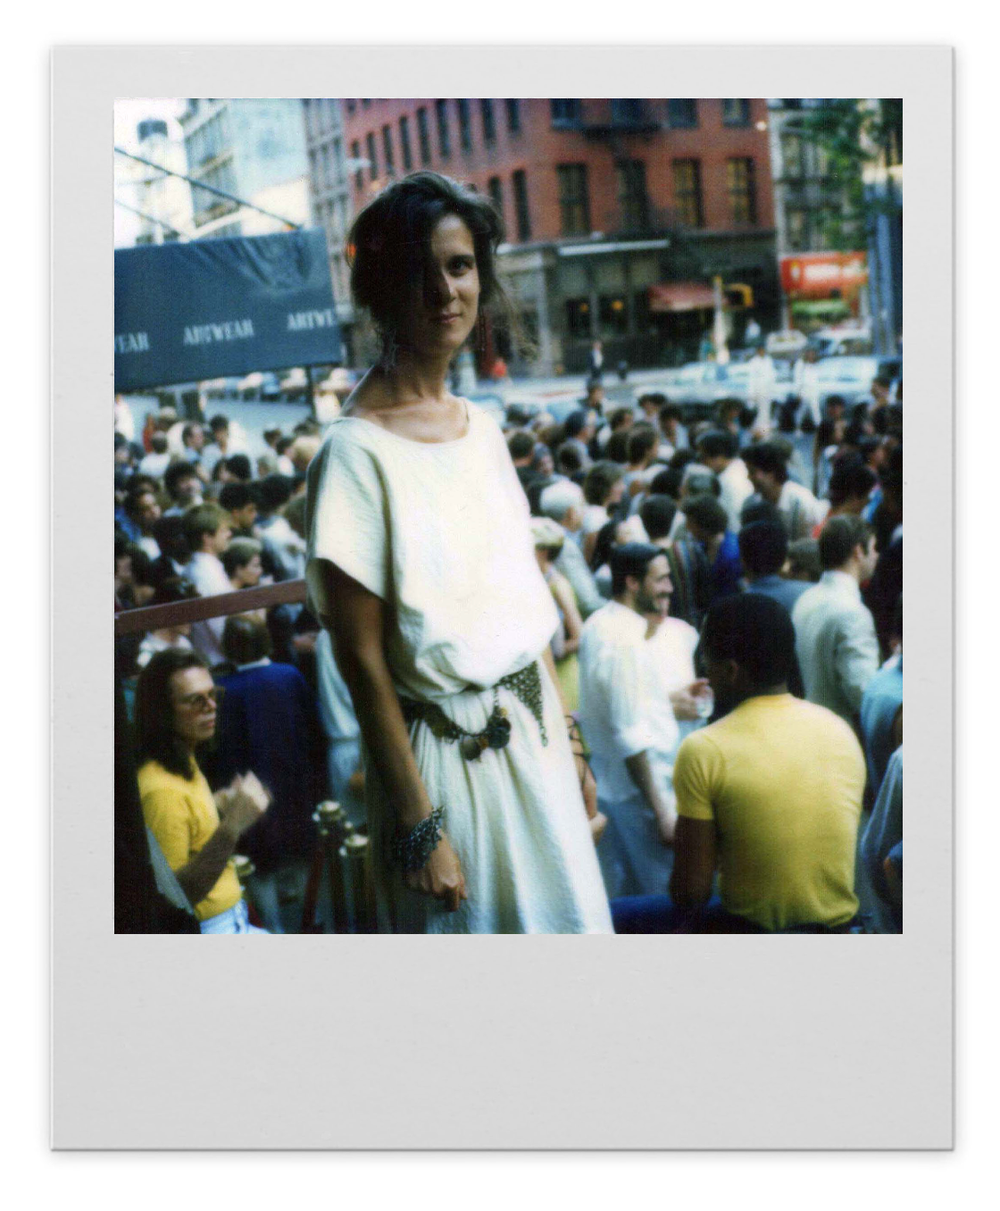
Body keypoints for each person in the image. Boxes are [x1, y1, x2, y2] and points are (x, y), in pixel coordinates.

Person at [305, 170, 612, 934]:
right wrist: (419, 824)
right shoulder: (353, 453)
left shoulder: (483, 428)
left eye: (460, 265)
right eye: (422, 270)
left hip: (535, 738)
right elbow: (362, 662)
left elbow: (524, 611)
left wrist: (572, 744)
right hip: (444, 767)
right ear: (382, 288)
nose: (446, 290)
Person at [614, 595, 866, 933]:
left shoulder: (704, 749)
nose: (704, 671)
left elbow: (690, 893)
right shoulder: (839, 730)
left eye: (706, 660)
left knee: (613, 915)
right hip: (841, 928)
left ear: (731, 671)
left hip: (753, 932)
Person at [577, 543, 708, 898]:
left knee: (632, 891)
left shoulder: (600, 624)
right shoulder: (624, 639)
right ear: (633, 583)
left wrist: (668, 702)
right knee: (661, 896)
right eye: (661, 579)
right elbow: (630, 734)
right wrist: (662, 811)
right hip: (642, 797)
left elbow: (622, 706)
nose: (669, 587)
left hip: (618, 790)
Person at [134, 650, 271, 933]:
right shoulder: (161, 791)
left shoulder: (182, 758)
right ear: (162, 711)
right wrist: (233, 825)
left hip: (232, 917)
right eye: (196, 700)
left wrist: (217, 806)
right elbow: (177, 898)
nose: (211, 706)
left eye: (212, 695)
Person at [205, 615, 327, 933]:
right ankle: (313, 923)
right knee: (302, 859)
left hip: (249, 793)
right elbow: (314, 730)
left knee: (259, 868)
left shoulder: (223, 690)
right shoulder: (288, 676)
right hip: (293, 786)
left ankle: (274, 930)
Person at [792, 516, 880, 726]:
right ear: (858, 552)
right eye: (874, 548)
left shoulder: (805, 599)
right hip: (841, 731)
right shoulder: (853, 614)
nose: (877, 555)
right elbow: (863, 693)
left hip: (807, 724)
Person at [183, 502, 234, 669]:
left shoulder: (205, 567)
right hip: (220, 663)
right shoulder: (205, 573)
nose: (229, 534)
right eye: (224, 530)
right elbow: (218, 624)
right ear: (207, 538)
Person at [743, 441, 828, 541]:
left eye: (752, 472)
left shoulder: (802, 503)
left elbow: (812, 544)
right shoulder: (752, 502)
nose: (748, 477)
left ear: (771, 473)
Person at [696, 429, 753, 531]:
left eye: (703, 457)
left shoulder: (730, 481)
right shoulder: (737, 468)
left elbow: (734, 524)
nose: (702, 462)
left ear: (719, 456)